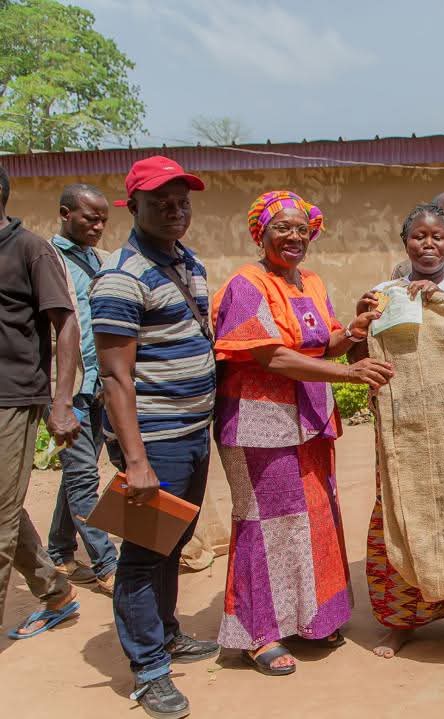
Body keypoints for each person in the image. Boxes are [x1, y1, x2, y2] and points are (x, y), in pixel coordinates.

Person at [211, 191, 394, 676]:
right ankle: (259, 632)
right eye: (281, 228)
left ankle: (312, 619)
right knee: (264, 522)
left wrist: (353, 333)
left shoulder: (310, 281)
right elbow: (271, 355)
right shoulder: (246, 285)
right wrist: (349, 376)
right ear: (261, 233)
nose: (294, 237)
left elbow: (324, 343)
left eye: (301, 229)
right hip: (259, 422)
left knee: (312, 519)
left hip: (309, 422)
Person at [91, 156, 220, 718]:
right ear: (133, 207)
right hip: (155, 441)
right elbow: (117, 377)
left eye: (182, 201)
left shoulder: (187, 263)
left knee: (174, 539)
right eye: (160, 202)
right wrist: (137, 462)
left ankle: (167, 632)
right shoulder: (121, 277)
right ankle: (148, 670)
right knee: (144, 553)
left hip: (193, 432)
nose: (175, 210)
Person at [360, 203, 444, 661]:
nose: (429, 244)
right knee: (401, 517)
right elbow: (368, 350)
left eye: (437, 236)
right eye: (419, 236)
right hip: (405, 429)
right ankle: (401, 622)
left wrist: (440, 302)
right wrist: (364, 320)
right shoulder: (384, 291)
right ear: (405, 243)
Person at [0, 163, 82, 640]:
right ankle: (54, 589)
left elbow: (66, 323)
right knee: (4, 506)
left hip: (12, 397)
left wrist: (62, 400)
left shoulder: (30, 249)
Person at [46, 184, 119, 596]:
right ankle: (107, 564)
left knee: (77, 472)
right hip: (67, 389)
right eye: (90, 218)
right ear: (65, 213)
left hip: (98, 384)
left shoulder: (100, 260)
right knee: (83, 477)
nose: (98, 226)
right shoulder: (47, 259)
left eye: (104, 219)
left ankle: (59, 549)